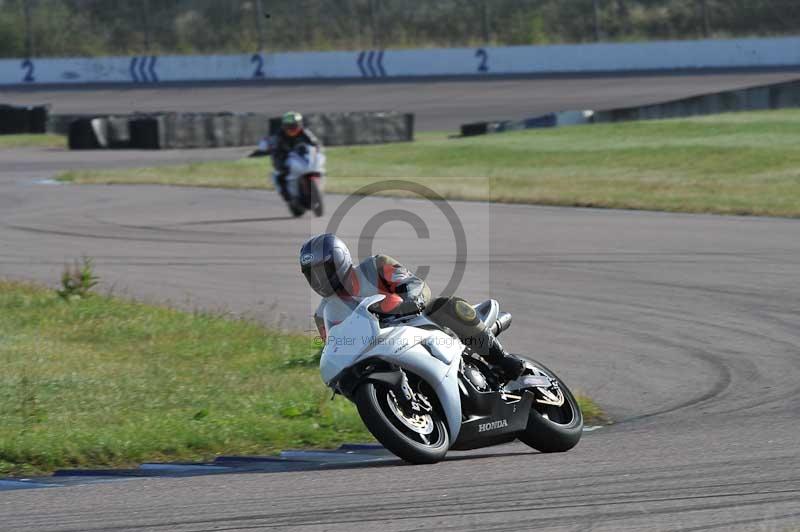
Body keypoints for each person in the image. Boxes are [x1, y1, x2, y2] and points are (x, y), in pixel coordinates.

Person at [299, 233, 526, 381]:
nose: (319, 280)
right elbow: (335, 348)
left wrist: (408, 302)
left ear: (339, 260)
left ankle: (501, 358)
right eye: (313, 275)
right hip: (380, 350)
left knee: (444, 305)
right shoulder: (323, 315)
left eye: (323, 271)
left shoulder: (375, 266)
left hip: (416, 322)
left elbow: (417, 286)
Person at [271, 111, 322, 205]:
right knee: (279, 175)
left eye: (294, 126)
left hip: (301, 157)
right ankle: (288, 197)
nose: (292, 129)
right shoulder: (279, 136)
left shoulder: (305, 132)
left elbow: (315, 143)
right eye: (289, 126)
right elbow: (275, 152)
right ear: (284, 126)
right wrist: (279, 163)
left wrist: (316, 149)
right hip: (285, 158)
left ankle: (317, 186)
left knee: (319, 167)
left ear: (299, 124)